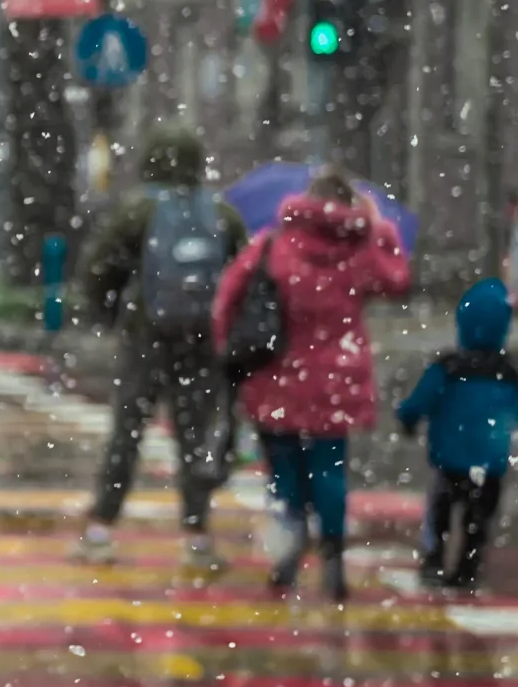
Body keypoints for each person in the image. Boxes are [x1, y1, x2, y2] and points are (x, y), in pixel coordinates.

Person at [211, 169, 413, 600]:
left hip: (277, 379)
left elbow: (228, 298)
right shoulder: (360, 248)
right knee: (330, 472)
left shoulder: (272, 245)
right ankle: (334, 562)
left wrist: (230, 353)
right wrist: (378, 228)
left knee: (284, 474)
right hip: (336, 382)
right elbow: (397, 279)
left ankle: (286, 558)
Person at [70, 122, 249, 570]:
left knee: (127, 430)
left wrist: (113, 315)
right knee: (193, 437)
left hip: (145, 335)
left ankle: (101, 530)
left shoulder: (137, 211)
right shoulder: (221, 215)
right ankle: (197, 536)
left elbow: (97, 269)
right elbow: (243, 278)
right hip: (202, 339)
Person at [397, 277, 518, 591]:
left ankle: (434, 559)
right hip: (489, 464)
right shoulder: (509, 373)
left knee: (441, 512)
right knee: (478, 519)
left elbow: (421, 399)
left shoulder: (449, 367)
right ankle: (468, 567)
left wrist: (408, 417)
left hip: (449, 459)